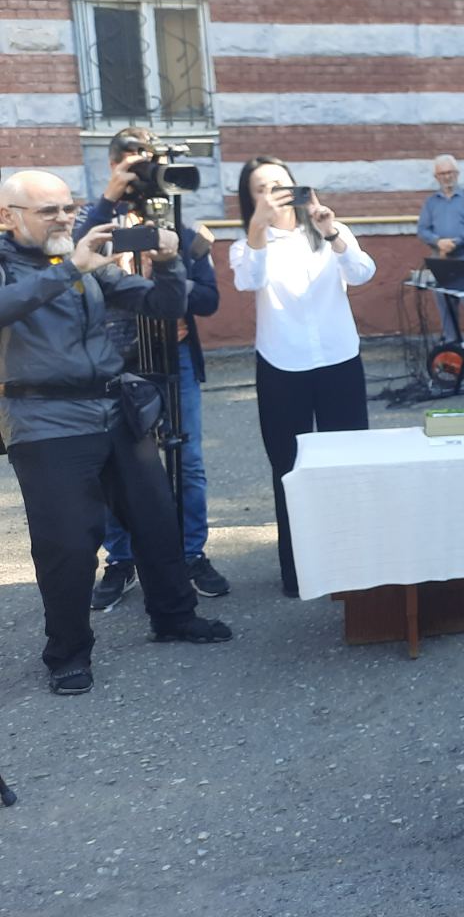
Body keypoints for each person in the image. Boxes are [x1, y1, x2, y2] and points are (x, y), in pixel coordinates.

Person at [0, 170, 232, 695]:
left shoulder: (78, 261)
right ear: (8, 216)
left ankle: (174, 617)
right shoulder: (30, 263)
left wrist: (169, 262)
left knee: (156, 519)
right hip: (44, 420)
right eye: (49, 211)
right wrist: (70, 268)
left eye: (69, 208)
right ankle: (67, 654)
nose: (64, 219)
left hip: (113, 409)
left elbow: (164, 306)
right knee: (67, 545)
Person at [75, 128, 230, 607]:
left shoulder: (182, 229)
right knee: (115, 465)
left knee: (189, 461)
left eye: (149, 164)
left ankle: (191, 554)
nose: (142, 174)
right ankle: (121, 561)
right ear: (113, 166)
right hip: (115, 361)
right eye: (132, 164)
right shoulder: (93, 222)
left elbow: (209, 301)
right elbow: (70, 260)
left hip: (173, 352)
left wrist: (167, 277)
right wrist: (109, 200)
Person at [229, 157, 376, 597]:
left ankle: (351, 563)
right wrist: (258, 227)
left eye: (279, 184)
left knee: (348, 462)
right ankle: (298, 571)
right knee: (289, 469)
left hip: (338, 358)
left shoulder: (329, 230)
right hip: (282, 362)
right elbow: (248, 280)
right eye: (261, 189)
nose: (273, 194)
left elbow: (363, 272)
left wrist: (331, 231)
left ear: (297, 186)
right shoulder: (247, 244)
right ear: (250, 199)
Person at [417, 153, 464, 341]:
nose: (447, 177)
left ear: (457, 173)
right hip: (441, 259)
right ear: (436, 177)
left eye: (450, 172)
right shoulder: (431, 203)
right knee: (445, 304)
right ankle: (451, 345)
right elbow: (422, 229)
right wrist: (438, 242)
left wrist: (455, 242)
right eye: (442, 173)